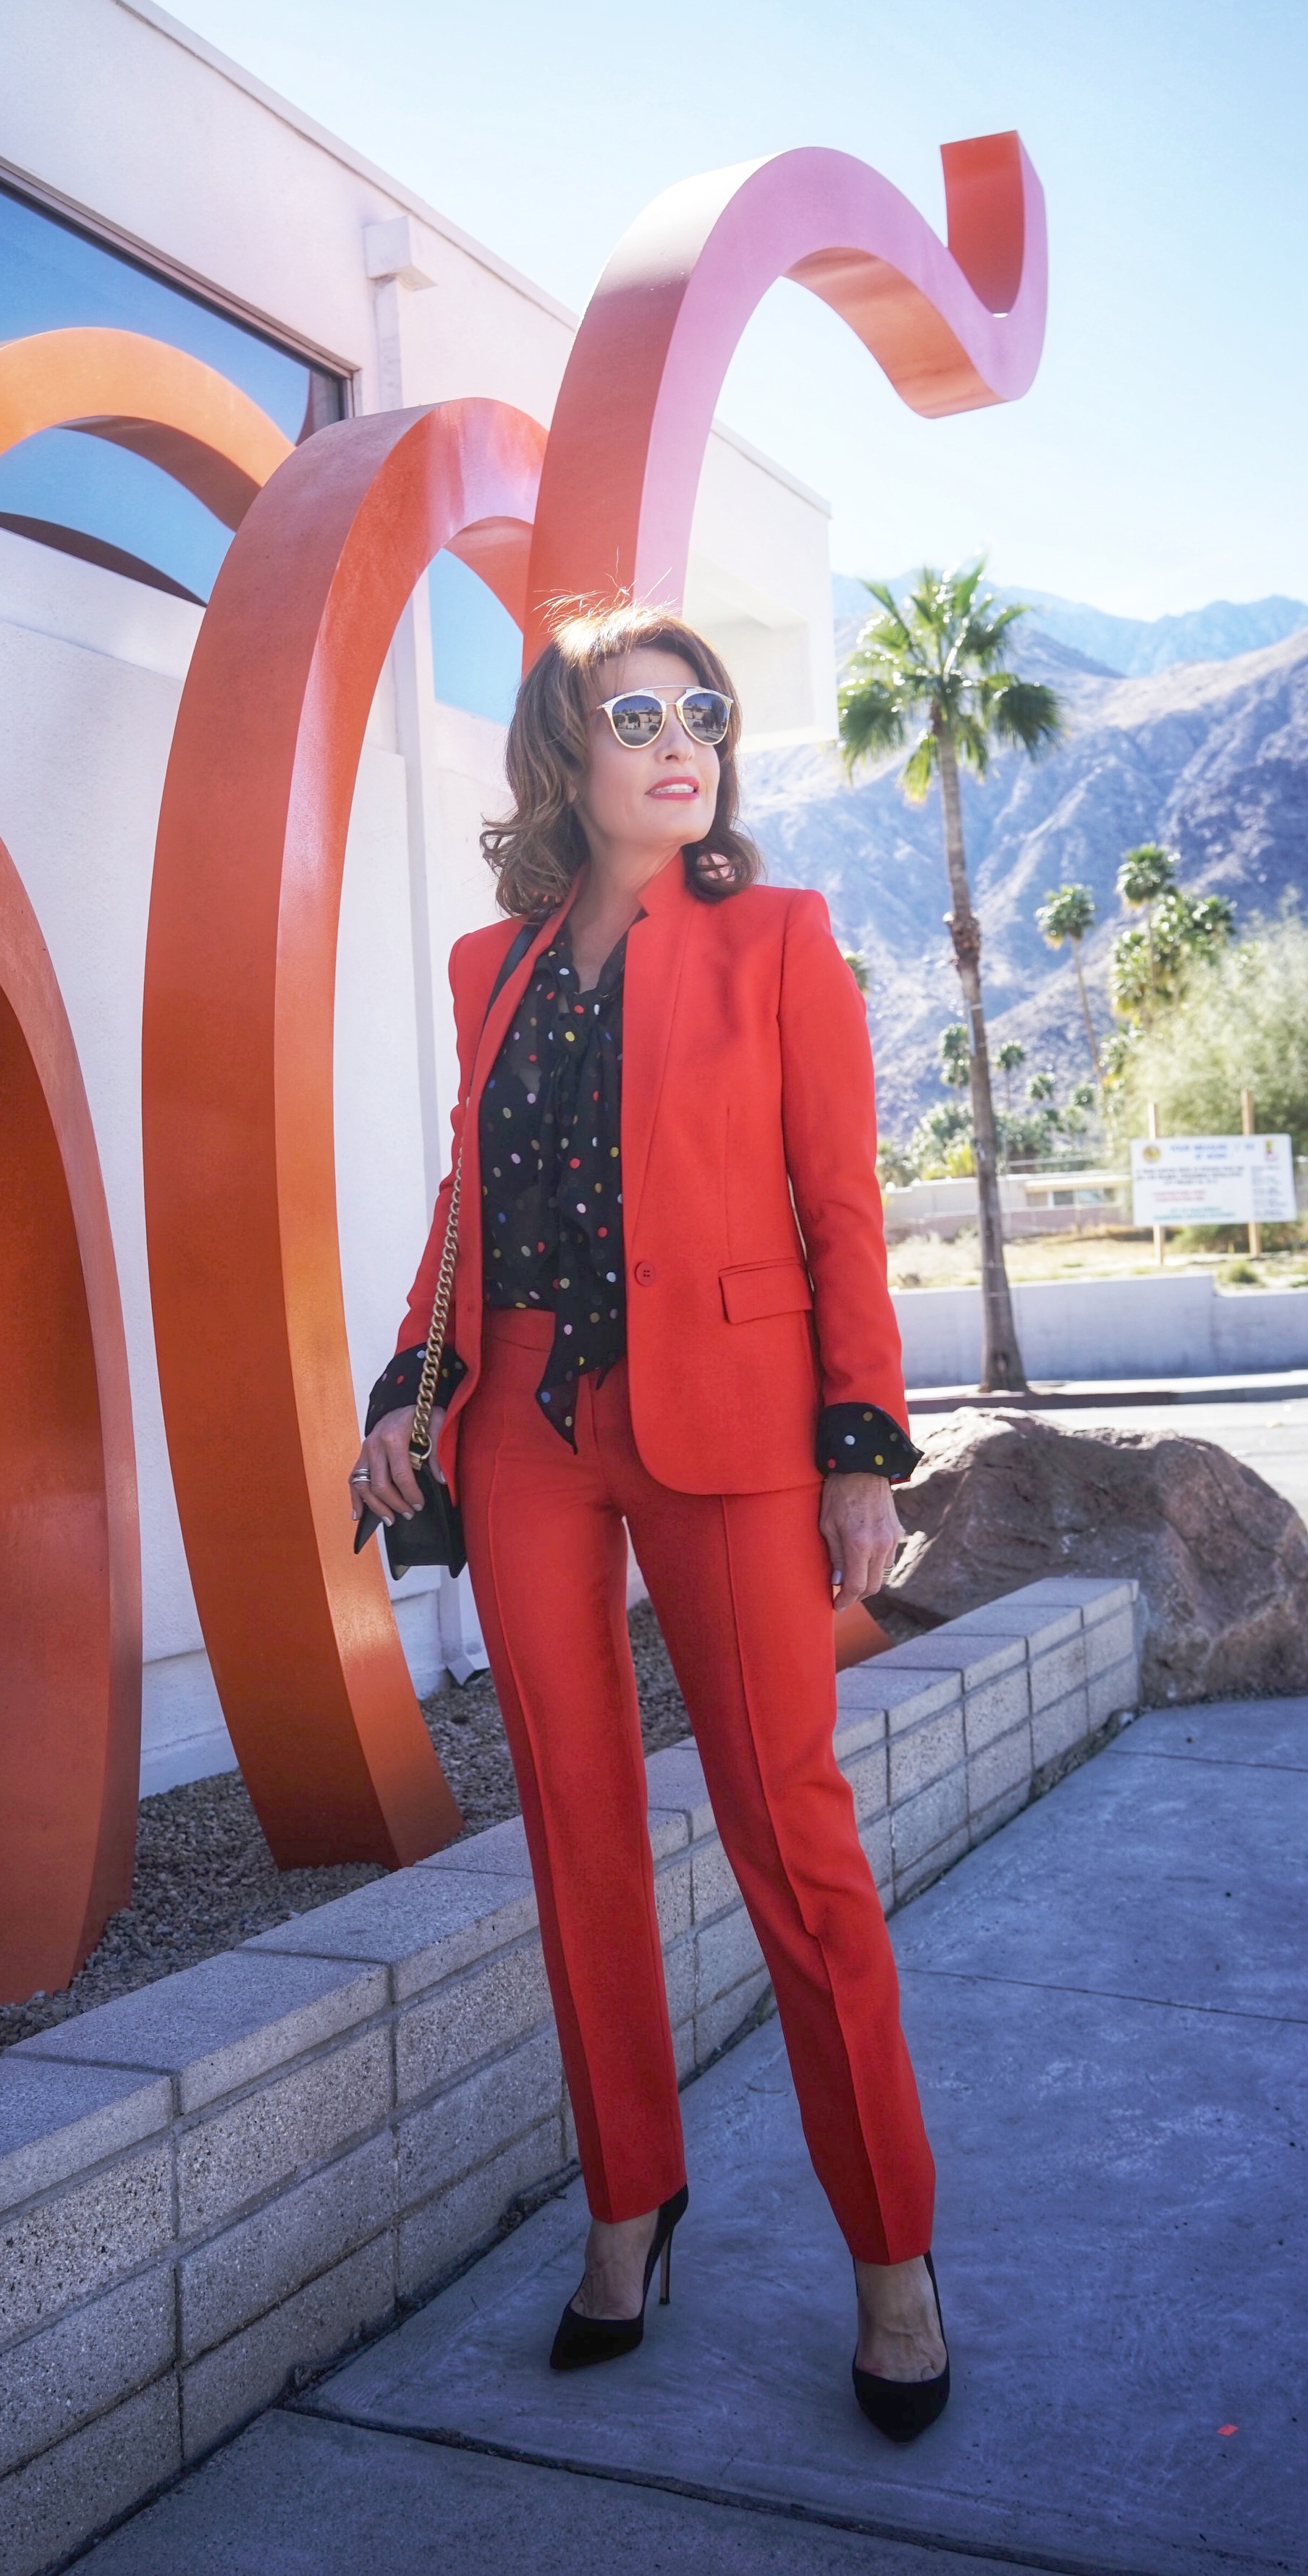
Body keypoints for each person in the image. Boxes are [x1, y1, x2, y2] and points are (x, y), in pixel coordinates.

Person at [347, 601, 949, 2441]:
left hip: (738, 1421)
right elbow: (467, 1188)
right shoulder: (494, 962)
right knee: (574, 1831)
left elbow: (835, 1198)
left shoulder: (774, 937)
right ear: (567, 754)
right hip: (526, 1417)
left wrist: (859, 1441)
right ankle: (628, 2201)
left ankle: (891, 2257)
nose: (678, 740)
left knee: (791, 1831)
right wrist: (403, 1382)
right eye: (636, 714)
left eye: (702, 712)